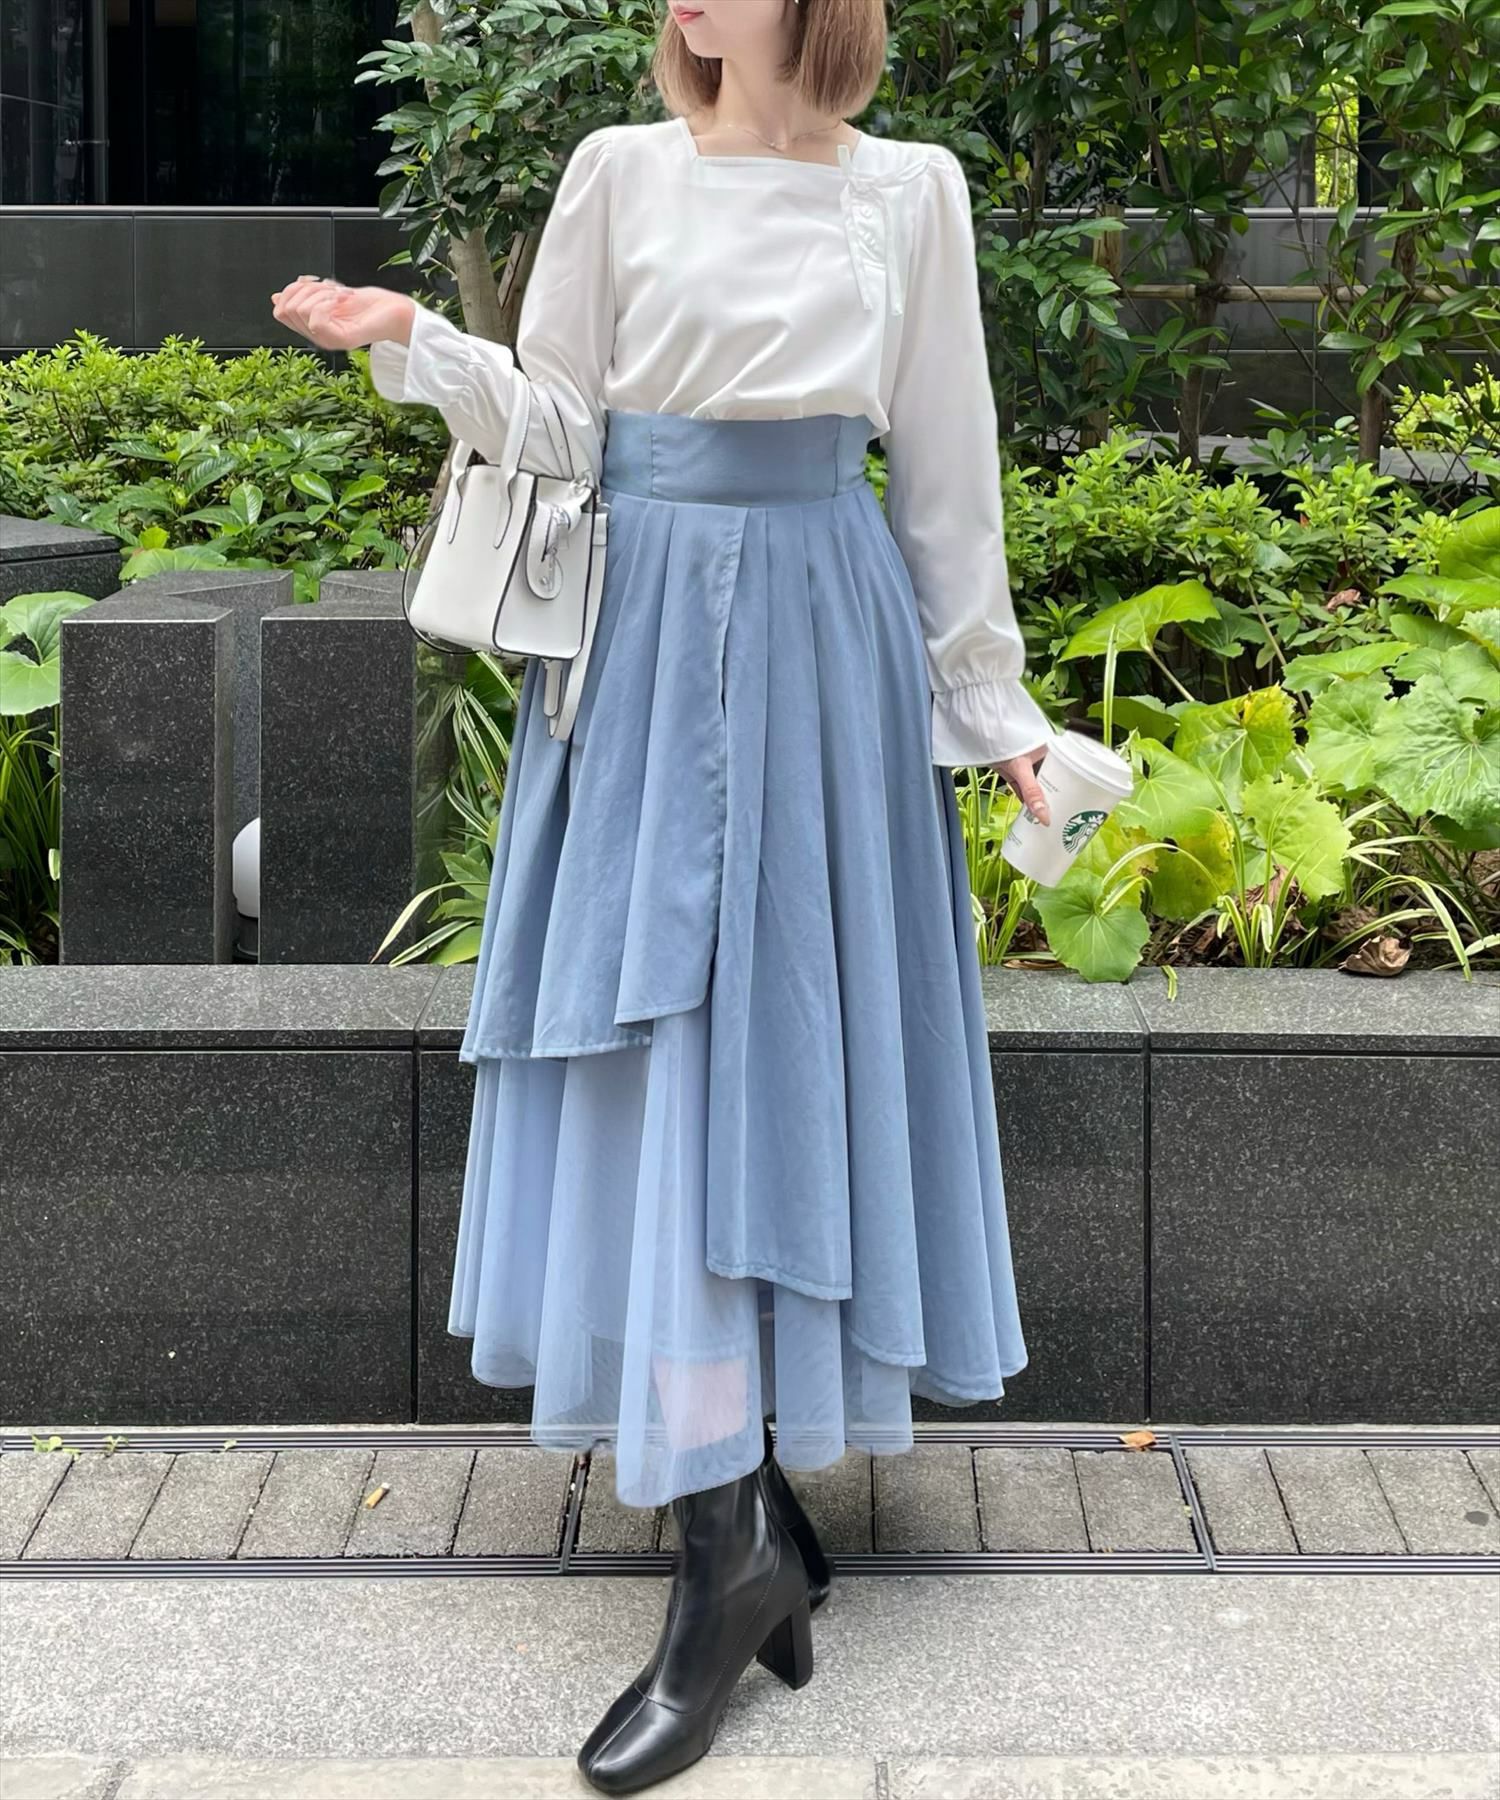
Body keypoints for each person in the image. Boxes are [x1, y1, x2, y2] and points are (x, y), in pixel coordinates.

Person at [273, 1, 1052, 1790]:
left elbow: (948, 471)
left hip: (826, 644)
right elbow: (563, 422)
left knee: (772, 1047)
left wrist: (993, 708)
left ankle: (740, 1543)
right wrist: (418, 344)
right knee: (651, 1054)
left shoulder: (911, 191)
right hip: (633, 651)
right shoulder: (618, 170)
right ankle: (732, 1534)